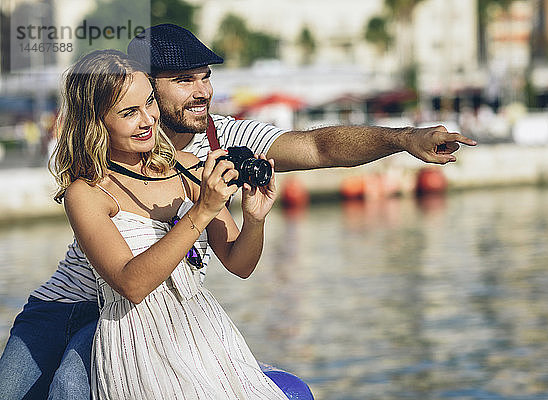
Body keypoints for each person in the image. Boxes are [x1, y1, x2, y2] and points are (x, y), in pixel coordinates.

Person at [0, 24, 476, 400]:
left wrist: (404, 140)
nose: (201, 91)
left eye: (205, 76)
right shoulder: (104, 164)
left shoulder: (215, 144)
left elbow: (315, 145)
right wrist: (202, 210)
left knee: (71, 387)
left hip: (148, 316)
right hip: (75, 304)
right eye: (183, 80)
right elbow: (125, 272)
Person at [70, 49, 287, 399]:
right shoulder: (86, 194)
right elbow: (131, 284)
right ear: (96, 122)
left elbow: (240, 264)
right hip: (139, 345)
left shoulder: (186, 166)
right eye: (129, 112)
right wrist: (202, 210)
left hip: (207, 332)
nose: (148, 120)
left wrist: (254, 219)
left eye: (150, 104)